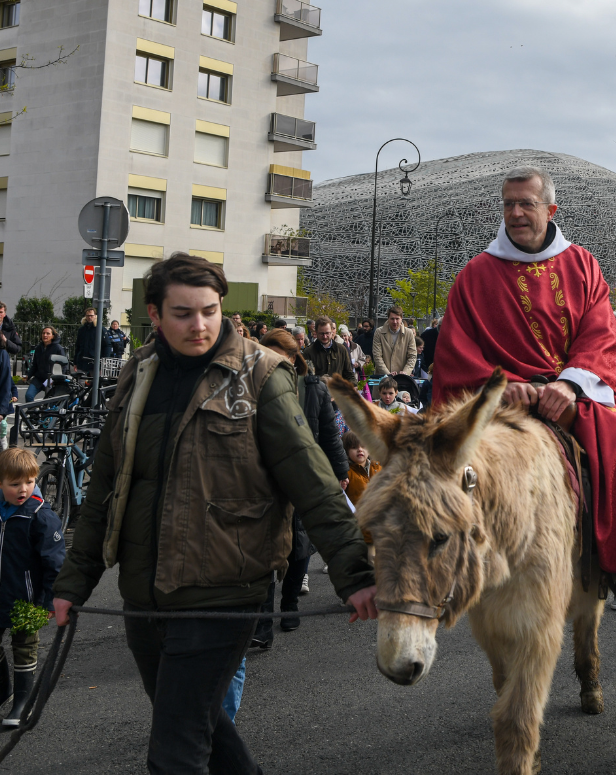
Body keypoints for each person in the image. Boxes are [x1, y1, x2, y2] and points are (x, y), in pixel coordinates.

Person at [51, 253, 376, 775]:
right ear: (154, 314)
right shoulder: (139, 371)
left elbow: (314, 484)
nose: (199, 325)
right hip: (143, 596)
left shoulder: (261, 374)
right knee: (203, 728)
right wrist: (74, 582)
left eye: (210, 311)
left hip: (225, 592)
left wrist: (355, 575)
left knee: (175, 753)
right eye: (183, 313)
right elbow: (106, 489)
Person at [434, 165, 616, 657]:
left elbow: (600, 335)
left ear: (551, 209)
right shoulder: (475, 275)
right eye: (509, 204)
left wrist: (570, 383)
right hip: (504, 399)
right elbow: (456, 351)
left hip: (571, 393)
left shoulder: (581, 264)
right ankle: (437, 572)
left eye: (527, 204)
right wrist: (501, 386)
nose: (516, 213)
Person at [252, 328, 350, 644]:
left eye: (280, 357)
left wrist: (340, 470)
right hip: (265, 480)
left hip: (305, 475)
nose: (273, 363)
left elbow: (330, 433)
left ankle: (290, 603)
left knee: (300, 545)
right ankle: (263, 621)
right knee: (266, 548)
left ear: (294, 359)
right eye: (267, 356)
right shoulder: (252, 386)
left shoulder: (313, 388)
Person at [0, 447, 65, 727]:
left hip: (27, 598)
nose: (23, 489)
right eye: (14, 484)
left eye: (29, 482)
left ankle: (22, 702)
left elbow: (55, 563)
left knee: (24, 647)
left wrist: (50, 599)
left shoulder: (40, 515)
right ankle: (2, 690)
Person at [302, 315, 357, 382]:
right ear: (316, 332)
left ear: (332, 331)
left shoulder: (341, 349)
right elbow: (304, 377)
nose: (325, 336)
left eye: (327, 333)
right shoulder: (308, 352)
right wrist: (319, 380)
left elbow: (349, 374)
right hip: (317, 388)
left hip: (337, 388)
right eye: (321, 334)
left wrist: (353, 385)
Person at [371, 306, 418, 379]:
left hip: (402, 378)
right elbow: (377, 356)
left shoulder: (409, 333)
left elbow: (412, 356)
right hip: (383, 378)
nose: (395, 322)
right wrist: (387, 373)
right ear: (388, 319)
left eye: (397, 319)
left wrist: (405, 372)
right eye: (392, 319)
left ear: (401, 318)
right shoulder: (379, 332)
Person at [24, 325, 65, 401]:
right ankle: (32, 409)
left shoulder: (58, 348)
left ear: (53, 336)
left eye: (48, 333)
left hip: (51, 379)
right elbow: (34, 365)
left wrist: (57, 379)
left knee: (49, 400)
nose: (45, 335)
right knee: (29, 395)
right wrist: (28, 376)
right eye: (43, 333)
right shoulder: (38, 348)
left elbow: (64, 365)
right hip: (39, 378)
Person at [343, 430, 381, 508]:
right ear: (347, 451)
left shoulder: (379, 467)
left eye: (363, 446)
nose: (360, 449)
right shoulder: (346, 473)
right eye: (354, 447)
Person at [73, 307, 107, 375]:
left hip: (95, 362)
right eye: (88, 315)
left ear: (95, 316)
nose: (89, 317)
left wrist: (104, 361)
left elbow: (106, 345)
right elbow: (78, 346)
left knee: (94, 380)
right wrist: (75, 362)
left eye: (91, 315)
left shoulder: (100, 329)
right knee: (81, 380)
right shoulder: (81, 330)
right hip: (82, 361)